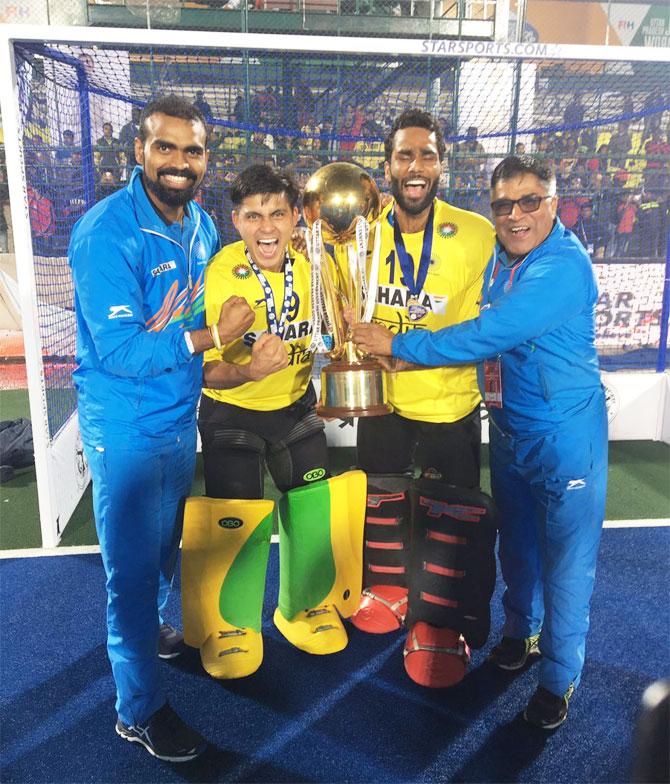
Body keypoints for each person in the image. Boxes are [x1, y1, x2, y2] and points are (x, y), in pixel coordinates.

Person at [350, 154, 608, 730]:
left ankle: (558, 679)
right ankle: (520, 633)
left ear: (554, 202)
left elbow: (491, 331)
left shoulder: (562, 267)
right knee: (516, 546)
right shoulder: (500, 259)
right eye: (503, 206)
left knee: (567, 564)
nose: (515, 216)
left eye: (529, 202)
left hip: (565, 439)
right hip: (511, 432)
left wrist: (400, 346)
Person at [69, 94, 255, 762]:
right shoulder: (104, 232)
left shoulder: (202, 226)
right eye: (165, 147)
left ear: (207, 158)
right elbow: (120, 351)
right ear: (140, 151)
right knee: (132, 572)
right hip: (124, 430)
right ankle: (138, 710)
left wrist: (241, 360)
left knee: (167, 548)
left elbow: (198, 344)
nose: (179, 162)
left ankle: (153, 634)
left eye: (193, 150)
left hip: (179, 420)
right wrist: (213, 334)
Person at [188, 164, 363, 677]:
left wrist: (347, 347)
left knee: (311, 508)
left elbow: (332, 335)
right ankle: (231, 624)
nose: (267, 228)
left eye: (278, 214)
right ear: (236, 220)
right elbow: (207, 372)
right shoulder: (221, 273)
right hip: (232, 412)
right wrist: (249, 370)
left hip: (293, 409)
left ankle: (301, 608)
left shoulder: (318, 266)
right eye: (253, 216)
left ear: (295, 219)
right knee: (235, 522)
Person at [350, 108, 497, 689]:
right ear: (386, 167)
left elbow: (493, 326)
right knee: (380, 508)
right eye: (405, 156)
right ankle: (389, 590)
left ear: (442, 164)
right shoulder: (358, 234)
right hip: (383, 403)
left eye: (428, 155)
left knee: (451, 520)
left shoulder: (478, 234)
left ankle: (439, 620)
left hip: (450, 404)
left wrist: (409, 346)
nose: (416, 168)